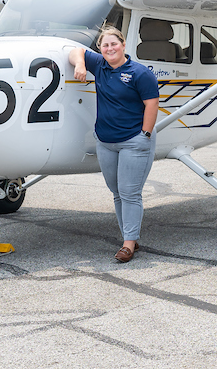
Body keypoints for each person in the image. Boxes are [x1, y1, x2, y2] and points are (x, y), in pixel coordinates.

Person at [68, 25, 159, 263]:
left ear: (123, 45)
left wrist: (145, 135)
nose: (110, 49)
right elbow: (76, 51)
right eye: (105, 45)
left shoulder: (140, 73)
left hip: (133, 141)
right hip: (106, 142)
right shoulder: (100, 66)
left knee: (130, 192)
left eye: (114, 44)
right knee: (117, 192)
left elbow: (152, 104)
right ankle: (130, 235)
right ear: (100, 49)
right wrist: (80, 65)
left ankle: (128, 244)